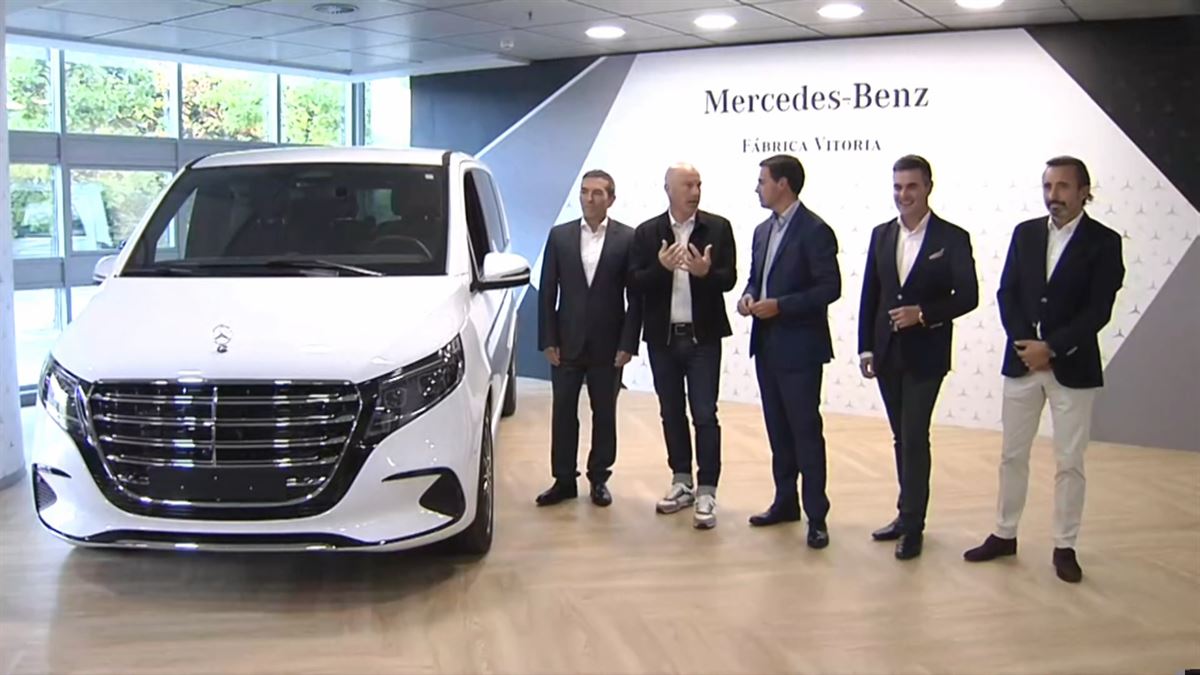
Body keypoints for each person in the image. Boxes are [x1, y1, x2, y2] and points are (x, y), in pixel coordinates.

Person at [964, 156, 1124, 583]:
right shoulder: (1026, 233)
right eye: (1048, 186)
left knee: (1069, 461)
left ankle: (1064, 545)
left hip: (1073, 367)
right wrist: (1025, 347)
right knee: (1011, 455)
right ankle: (1004, 533)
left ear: (1084, 191)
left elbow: (1098, 309)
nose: (1054, 195)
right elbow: (1007, 293)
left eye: (1063, 187)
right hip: (1021, 365)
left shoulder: (1104, 242)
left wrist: (1051, 349)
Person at [857, 154, 979, 560]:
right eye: (897, 187)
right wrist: (866, 347)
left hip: (926, 355)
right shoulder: (880, 234)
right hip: (887, 353)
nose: (903, 195)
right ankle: (904, 513)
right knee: (900, 437)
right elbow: (870, 297)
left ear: (928, 186)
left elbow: (969, 296)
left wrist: (923, 314)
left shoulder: (952, 238)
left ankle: (913, 525)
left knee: (913, 437)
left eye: (911, 186)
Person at [738, 154, 841, 548]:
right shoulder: (763, 231)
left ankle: (817, 515)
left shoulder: (815, 231)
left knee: (805, 431)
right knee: (778, 430)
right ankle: (785, 502)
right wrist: (748, 298)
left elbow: (828, 289)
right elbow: (754, 279)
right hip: (765, 344)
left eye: (762, 180)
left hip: (800, 347)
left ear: (783, 184)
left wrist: (780, 305)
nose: (757, 187)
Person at [630, 163, 737, 529]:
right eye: (688, 184)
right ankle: (682, 481)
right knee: (670, 411)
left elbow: (729, 279)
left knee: (705, 413)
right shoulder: (648, 232)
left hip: (703, 338)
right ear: (669, 190)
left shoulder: (718, 228)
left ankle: (708, 487)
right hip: (663, 338)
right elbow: (636, 282)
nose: (695, 191)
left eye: (699, 184)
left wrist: (707, 274)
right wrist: (660, 268)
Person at [535, 170, 641, 507]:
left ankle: (599, 478)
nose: (589, 199)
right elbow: (547, 291)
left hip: (608, 345)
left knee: (604, 412)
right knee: (563, 411)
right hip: (566, 342)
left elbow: (634, 297)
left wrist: (628, 343)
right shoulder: (560, 236)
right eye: (584, 192)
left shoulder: (628, 238)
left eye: (597, 193)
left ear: (611, 199)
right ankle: (564, 479)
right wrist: (547, 338)